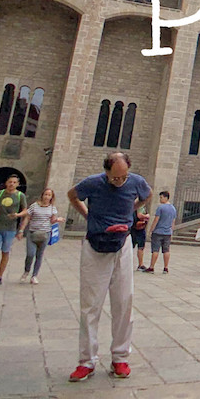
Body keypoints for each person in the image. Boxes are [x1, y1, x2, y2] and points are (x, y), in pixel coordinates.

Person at [66, 151, 151, 381]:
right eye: (115, 178)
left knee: (124, 301)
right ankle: (86, 361)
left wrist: (132, 210)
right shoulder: (92, 183)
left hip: (122, 244)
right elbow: (72, 195)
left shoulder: (136, 182)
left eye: (123, 177)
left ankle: (120, 358)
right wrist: (88, 215)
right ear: (106, 172)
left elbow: (147, 195)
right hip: (95, 245)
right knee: (90, 305)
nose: (119, 182)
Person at [19, 188, 60, 284]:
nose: (47, 197)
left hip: (45, 234)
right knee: (30, 254)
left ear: (51, 197)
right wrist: (21, 230)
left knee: (39, 255)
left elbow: (52, 220)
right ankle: (26, 270)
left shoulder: (52, 208)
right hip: (32, 233)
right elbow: (27, 217)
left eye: (49, 195)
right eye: (45, 194)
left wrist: (58, 220)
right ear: (42, 195)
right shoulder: (34, 206)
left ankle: (34, 275)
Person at [145, 191, 177, 273]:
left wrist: (151, 229)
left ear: (166, 198)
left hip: (158, 231)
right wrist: (171, 231)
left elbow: (156, 220)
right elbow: (173, 221)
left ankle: (152, 267)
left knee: (155, 250)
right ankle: (166, 267)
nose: (160, 199)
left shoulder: (161, 208)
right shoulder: (173, 208)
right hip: (168, 232)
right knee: (166, 250)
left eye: (161, 197)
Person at [131, 205, 149, 271]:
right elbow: (139, 215)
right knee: (133, 247)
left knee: (140, 247)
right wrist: (146, 216)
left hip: (138, 229)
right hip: (135, 229)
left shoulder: (142, 207)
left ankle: (140, 264)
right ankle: (139, 264)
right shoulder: (138, 206)